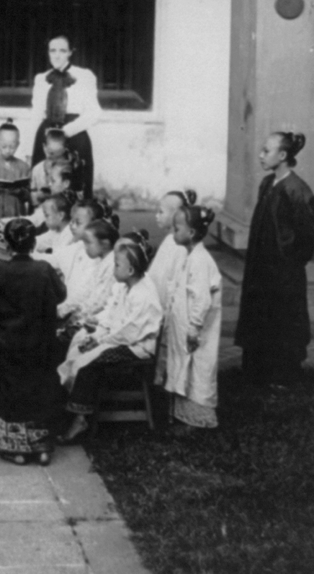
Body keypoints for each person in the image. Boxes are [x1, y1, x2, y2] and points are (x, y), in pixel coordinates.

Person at [0, 218, 67, 465]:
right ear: (33, 243)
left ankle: (17, 449)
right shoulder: (43, 269)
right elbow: (61, 294)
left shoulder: (0, 271)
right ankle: (42, 448)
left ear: (6, 243)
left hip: (10, 345)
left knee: (13, 393)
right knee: (40, 391)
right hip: (41, 345)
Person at [235, 131, 314, 389]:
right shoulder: (267, 184)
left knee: (283, 320)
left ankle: (283, 376)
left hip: (284, 273)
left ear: (282, 156)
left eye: (266, 151)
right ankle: (256, 372)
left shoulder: (296, 190)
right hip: (261, 268)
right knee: (259, 315)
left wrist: (291, 261)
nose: (261, 155)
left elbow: (310, 232)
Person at [57, 235, 162, 444]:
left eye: (116, 264)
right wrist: (95, 335)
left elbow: (129, 331)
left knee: (89, 365)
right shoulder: (125, 287)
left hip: (136, 346)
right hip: (118, 338)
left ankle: (80, 419)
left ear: (130, 270)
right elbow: (111, 316)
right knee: (79, 347)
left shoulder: (143, 295)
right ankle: (66, 408)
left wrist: (101, 341)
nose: (112, 268)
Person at [164, 205, 222, 432]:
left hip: (196, 329)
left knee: (198, 367)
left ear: (191, 233)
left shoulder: (200, 260)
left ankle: (196, 418)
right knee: (184, 367)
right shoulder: (188, 256)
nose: (172, 232)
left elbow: (202, 299)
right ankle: (182, 414)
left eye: (176, 228)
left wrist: (194, 327)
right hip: (184, 324)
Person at [27, 34, 102, 197]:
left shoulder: (84, 76)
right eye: (52, 50)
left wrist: (66, 131)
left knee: (74, 185)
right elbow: (36, 114)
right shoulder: (41, 79)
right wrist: (29, 148)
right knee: (43, 184)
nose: (57, 55)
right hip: (47, 135)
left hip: (74, 135)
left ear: (70, 53)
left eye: (62, 50)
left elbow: (95, 112)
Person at [149, 190, 196, 310]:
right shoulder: (169, 240)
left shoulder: (179, 247)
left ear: (176, 215)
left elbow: (171, 284)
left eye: (161, 212)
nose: (156, 215)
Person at [0, 120, 32, 220]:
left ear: (18, 144)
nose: (8, 150)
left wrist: (20, 191)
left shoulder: (24, 167)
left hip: (17, 213)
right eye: (4, 146)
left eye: (12, 147)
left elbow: (29, 196)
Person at [33, 190, 77, 256]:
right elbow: (38, 241)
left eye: (47, 215)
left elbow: (58, 260)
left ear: (60, 216)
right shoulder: (55, 230)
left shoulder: (69, 235)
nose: (44, 219)